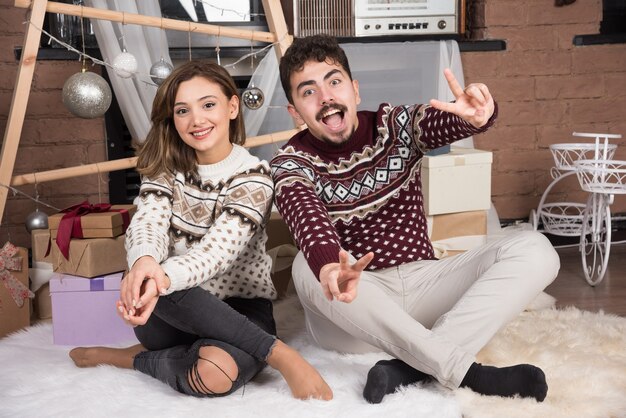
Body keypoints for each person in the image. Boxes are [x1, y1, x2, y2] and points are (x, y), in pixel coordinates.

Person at [270, 34, 560, 404]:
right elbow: (304, 215)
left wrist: (474, 117)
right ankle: (467, 371)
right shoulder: (290, 162)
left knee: (536, 248)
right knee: (305, 266)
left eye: (334, 81)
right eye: (308, 91)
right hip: (355, 307)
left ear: (355, 91)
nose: (325, 96)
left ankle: (411, 367)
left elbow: (439, 123)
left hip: (424, 284)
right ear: (295, 111)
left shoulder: (394, 124)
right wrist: (329, 267)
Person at [69, 61, 332, 401]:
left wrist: (160, 275)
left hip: (239, 314)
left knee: (214, 375)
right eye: (182, 110)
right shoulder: (165, 168)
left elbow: (215, 254)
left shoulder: (255, 176)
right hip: (171, 310)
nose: (197, 120)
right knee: (156, 276)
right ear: (173, 119)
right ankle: (280, 355)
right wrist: (145, 263)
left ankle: (132, 358)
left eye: (208, 104)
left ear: (232, 107)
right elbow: (147, 222)